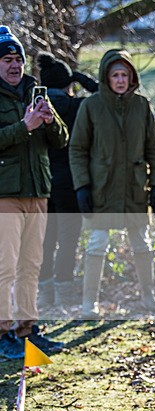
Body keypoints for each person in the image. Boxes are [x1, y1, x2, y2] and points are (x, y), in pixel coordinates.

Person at [69, 49, 155, 319]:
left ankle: (148, 297)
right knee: (96, 244)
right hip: (102, 188)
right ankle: (90, 305)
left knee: (142, 244)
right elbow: (77, 150)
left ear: (132, 77)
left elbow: (154, 149)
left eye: (125, 74)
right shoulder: (91, 106)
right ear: (106, 77)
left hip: (135, 188)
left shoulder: (142, 106)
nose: (120, 80)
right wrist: (82, 187)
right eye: (115, 75)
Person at [0, 26, 69, 358]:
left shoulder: (34, 92)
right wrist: (23, 127)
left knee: (32, 265)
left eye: (18, 59)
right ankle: (3, 334)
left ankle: (27, 329)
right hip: (5, 194)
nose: (14, 65)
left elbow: (61, 140)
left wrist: (49, 120)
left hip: (37, 191)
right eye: (7, 59)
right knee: (5, 266)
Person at [36, 51, 98, 314]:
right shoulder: (77, 107)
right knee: (68, 239)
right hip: (70, 182)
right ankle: (64, 295)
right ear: (67, 83)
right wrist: (80, 77)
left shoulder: (35, 108)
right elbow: (103, 95)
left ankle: (45, 296)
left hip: (42, 182)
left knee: (45, 240)